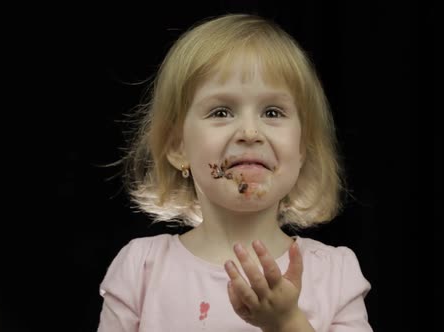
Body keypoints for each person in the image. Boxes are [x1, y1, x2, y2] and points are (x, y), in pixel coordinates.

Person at [96, 13, 372, 332]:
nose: (250, 132)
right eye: (221, 111)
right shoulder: (141, 270)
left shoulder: (335, 274)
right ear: (178, 147)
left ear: (302, 148)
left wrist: (287, 323)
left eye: (272, 112)